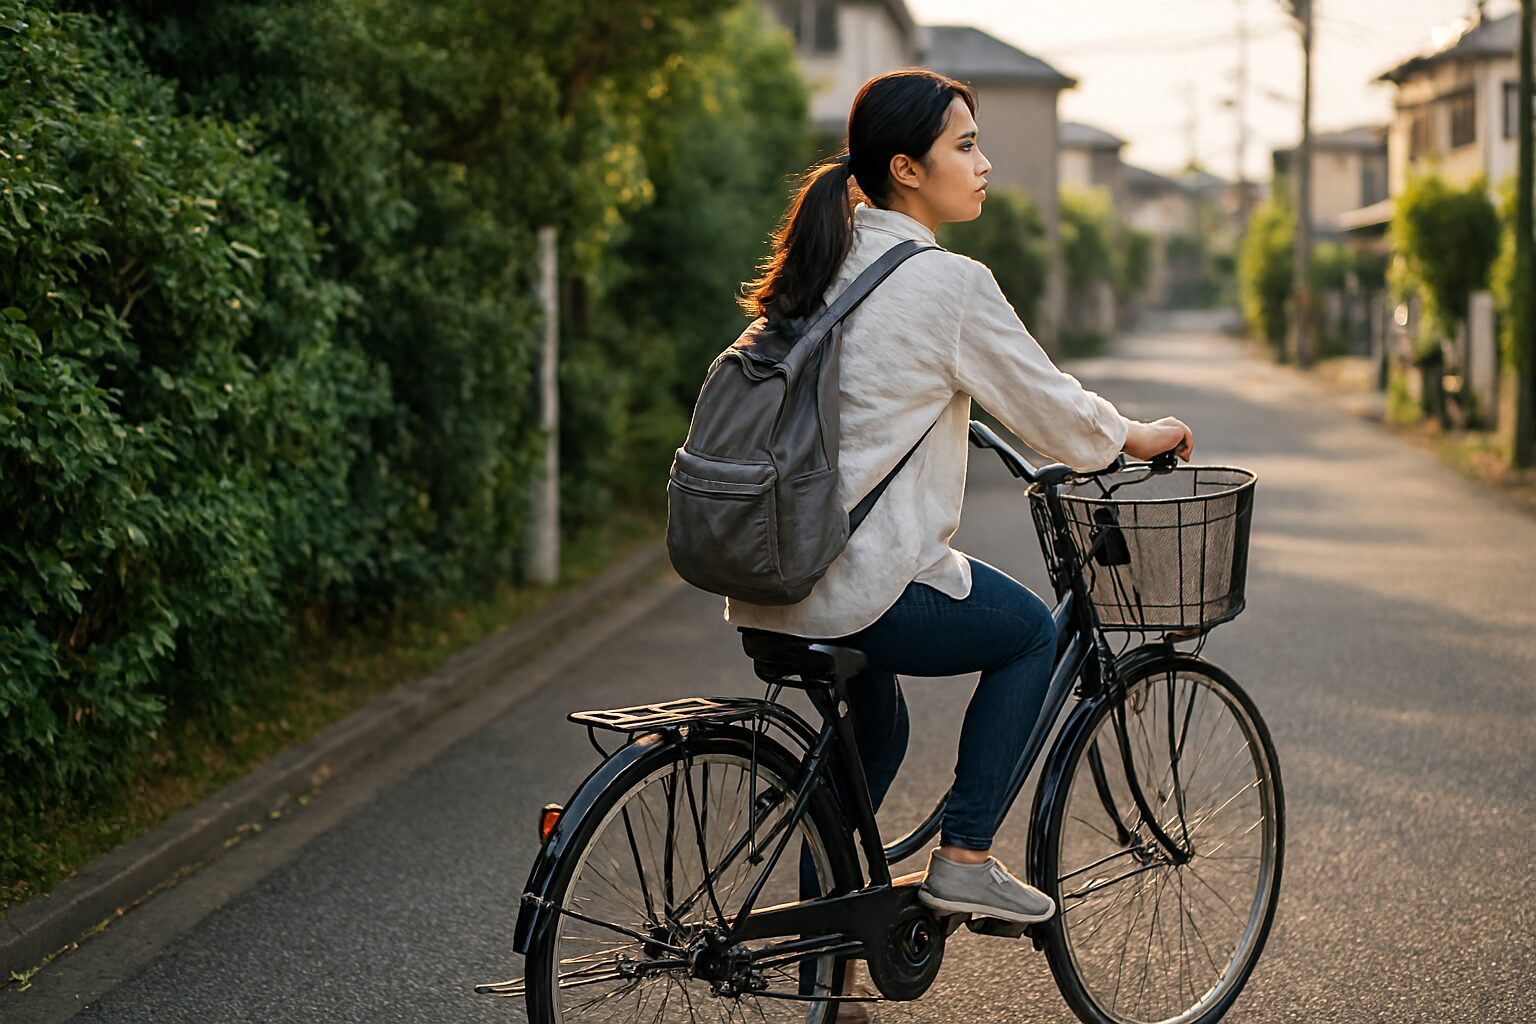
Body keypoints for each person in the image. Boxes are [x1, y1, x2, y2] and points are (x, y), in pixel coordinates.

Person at [725, 68, 1194, 1014]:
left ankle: (827, 945)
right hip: (860, 581)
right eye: (966, 147)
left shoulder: (825, 261)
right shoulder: (946, 285)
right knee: (1026, 633)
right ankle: (967, 858)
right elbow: (1054, 412)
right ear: (907, 168)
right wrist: (1133, 437)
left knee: (879, 730)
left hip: (769, 584)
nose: (985, 165)